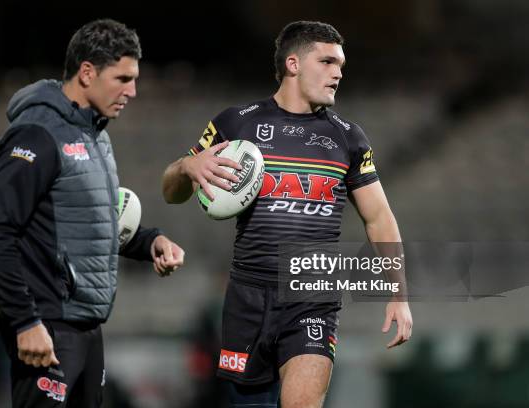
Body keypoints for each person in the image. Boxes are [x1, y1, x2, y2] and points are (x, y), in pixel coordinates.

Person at [162, 21, 412, 408]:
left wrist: (398, 291)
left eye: (341, 64)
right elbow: (170, 192)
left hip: (312, 293)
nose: (338, 72)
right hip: (247, 296)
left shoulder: (348, 138)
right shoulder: (236, 123)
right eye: (327, 61)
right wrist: (185, 168)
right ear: (293, 64)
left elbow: (379, 217)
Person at [0, 19, 184, 408]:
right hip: (47, 325)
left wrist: (149, 240)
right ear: (87, 72)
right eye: (123, 78)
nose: (133, 91)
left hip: (85, 326)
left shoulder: (93, 134)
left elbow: (86, 222)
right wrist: (26, 322)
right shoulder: (37, 134)